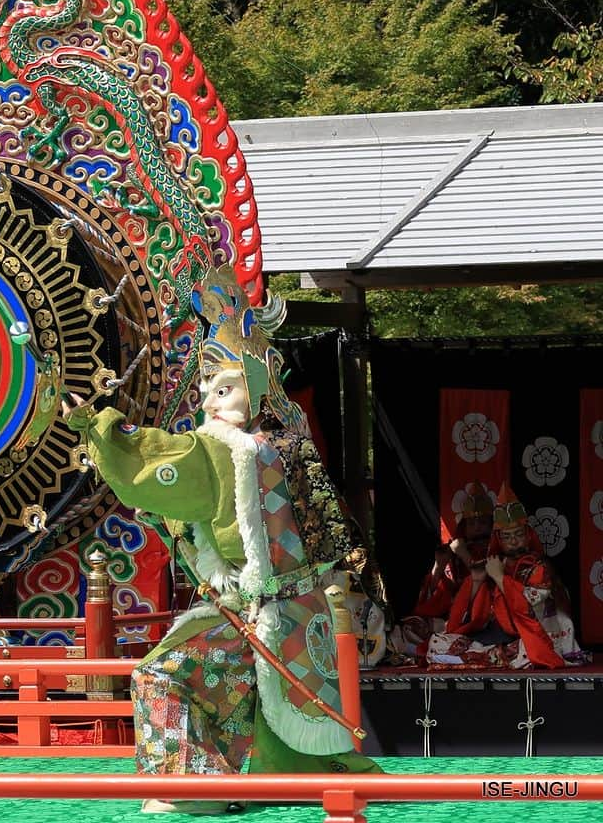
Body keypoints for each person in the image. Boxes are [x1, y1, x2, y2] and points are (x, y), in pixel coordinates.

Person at [64, 269, 379, 815]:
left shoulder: (224, 451)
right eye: (207, 388)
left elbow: (156, 461)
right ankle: (250, 782)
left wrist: (94, 425)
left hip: (262, 611)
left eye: (224, 387)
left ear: (254, 390)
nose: (208, 399)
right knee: (249, 698)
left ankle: (195, 790)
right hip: (294, 613)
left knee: (159, 674)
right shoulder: (283, 446)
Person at [426, 484, 587, 669]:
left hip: (528, 633)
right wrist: (477, 580)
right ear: (499, 540)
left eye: (518, 534)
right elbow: (466, 613)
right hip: (494, 631)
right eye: (507, 537)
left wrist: (501, 578)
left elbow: (527, 607)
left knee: (528, 651)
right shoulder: (493, 562)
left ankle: (487, 656)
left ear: (528, 536)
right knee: (436, 644)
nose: (513, 541)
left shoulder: (538, 566)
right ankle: (487, 655)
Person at [390, 481, 494, 658]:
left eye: (482, 522)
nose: (477, 527)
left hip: (484, 616)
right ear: (464, 526)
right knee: (410, 626)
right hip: (454, 617)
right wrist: (439, 566)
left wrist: (463, 554)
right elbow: (440, 594)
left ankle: (440, 649)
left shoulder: (495, 548)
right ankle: (428, 649)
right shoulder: (457, 550)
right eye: (472, 523)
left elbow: (487, 579)